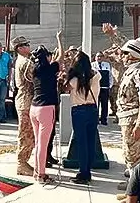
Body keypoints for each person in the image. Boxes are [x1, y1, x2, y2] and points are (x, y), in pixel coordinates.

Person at [115, 38, 140, 203]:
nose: (122, 56)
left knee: (135, 159)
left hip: (133, 120)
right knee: (130, 157)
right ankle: (132, 192)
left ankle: (136, 196)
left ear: (132, 55)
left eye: (124, 53)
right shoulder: (130, 71)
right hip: (126, 119)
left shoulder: (138, 73)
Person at [68, 51, 102, 184]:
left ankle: (83, 172)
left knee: (81, 143)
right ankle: (88, 170)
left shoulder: (74, 80)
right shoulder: (96, 76)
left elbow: (66, 85)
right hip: (93, 110)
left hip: (79, 111)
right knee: (90, 141)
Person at [29, 44, 60, 184]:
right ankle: (41, 174)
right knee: (43, 144)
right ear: (47, 57)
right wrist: (59, 41)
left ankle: (37, 172)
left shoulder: (35, 70)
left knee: (38, 143)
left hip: (34, 108)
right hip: (46, 108)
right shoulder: (50, 68)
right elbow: (61, 57)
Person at [11, 36, 37, 177]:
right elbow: (36, 79)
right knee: (26, 134)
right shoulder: (26, 63)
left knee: (28, 133)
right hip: (26, 101)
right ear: (19, 48)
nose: (29, 46)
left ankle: (24, 162)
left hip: (25, 100)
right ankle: (21, 163)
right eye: (26, 44)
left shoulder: (23, 61)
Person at [92, 52, 113, 125]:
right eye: (98, 56)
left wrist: (110, 85)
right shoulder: (92, 65)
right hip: (96, 88)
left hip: (105, 87)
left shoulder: (107, 65)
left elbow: (110, 75)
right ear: (95, 57)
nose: (99, 58)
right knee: (96, 104)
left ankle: (104, 120)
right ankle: (95, 119)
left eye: (101, 56)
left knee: (104, 105)